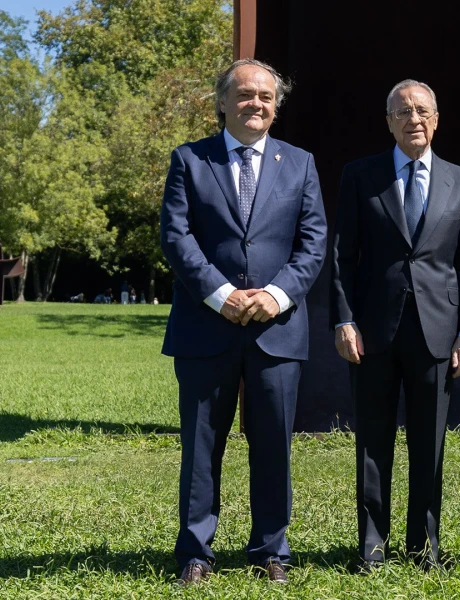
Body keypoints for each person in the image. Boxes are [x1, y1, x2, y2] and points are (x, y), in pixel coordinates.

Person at [160, 58, 327, 586]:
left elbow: (314, 241)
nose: (257, 103)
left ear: (276, 107)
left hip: (276, 330)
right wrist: (223, 294)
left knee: (274, 442)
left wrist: (276, 296)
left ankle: (271, 549)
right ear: (223, 103)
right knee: (202, 445)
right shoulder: (189, 160)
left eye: (267, 97)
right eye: (246, 95)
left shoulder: (300, 163)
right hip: (205, 327)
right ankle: (195, 552)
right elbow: (176, 237)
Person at [330, 79, 460, 571]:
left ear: (436, 120)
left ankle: (425, 549)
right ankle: (372, 550)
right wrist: (344, 319)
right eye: (402, 112)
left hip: (438, 332)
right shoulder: (359, 175)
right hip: (371, 332)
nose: (413, 119)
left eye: (422, 111)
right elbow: (341, 257)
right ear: (388, 121)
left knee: (429, 444)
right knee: (373, 443)